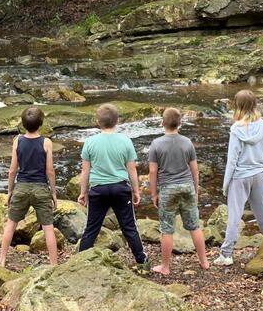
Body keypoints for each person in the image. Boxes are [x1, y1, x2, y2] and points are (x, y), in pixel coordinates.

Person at [78, 103, 150, 273]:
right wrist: (136, 190)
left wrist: (83, 192)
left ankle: (80, 263)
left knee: (92, 227)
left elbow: (85, 170)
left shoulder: (90, 142)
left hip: (98, 190)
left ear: (98, 122)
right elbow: (131, 168)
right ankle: (142, 262)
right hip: (120, 189)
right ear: (117, 121)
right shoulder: (125, 140)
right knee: (129, 226)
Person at [214, 90, 263, 266]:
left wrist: (226, 184)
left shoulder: (236, 129)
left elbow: (232, 160)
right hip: (258, 174)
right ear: (255, 104)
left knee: (234, 216)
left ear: (238, 105)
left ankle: (226, 255)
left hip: (240, 177)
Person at [0, 107, 58, 267]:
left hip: (21, 187)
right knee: (48, 228)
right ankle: (54, 265)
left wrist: (10, 191)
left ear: (22, 124)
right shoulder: (46, 142)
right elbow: (50, 171)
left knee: (11, 224)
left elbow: (12, 170)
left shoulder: (18, 140)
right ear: (41, 124)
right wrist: (53, 193)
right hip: (41, 187)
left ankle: (1, 260)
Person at [149, 108, 209, 275]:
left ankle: (165, 267)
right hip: (187, 186)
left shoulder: (156, 144)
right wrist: (195, 190)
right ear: (180, 123)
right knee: (194, 226)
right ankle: (204, 261)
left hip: (168, 189)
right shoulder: (187, 142)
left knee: (167, 229)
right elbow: (194, 169)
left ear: (162, 123)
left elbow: (153, 172)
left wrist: (153, 193)